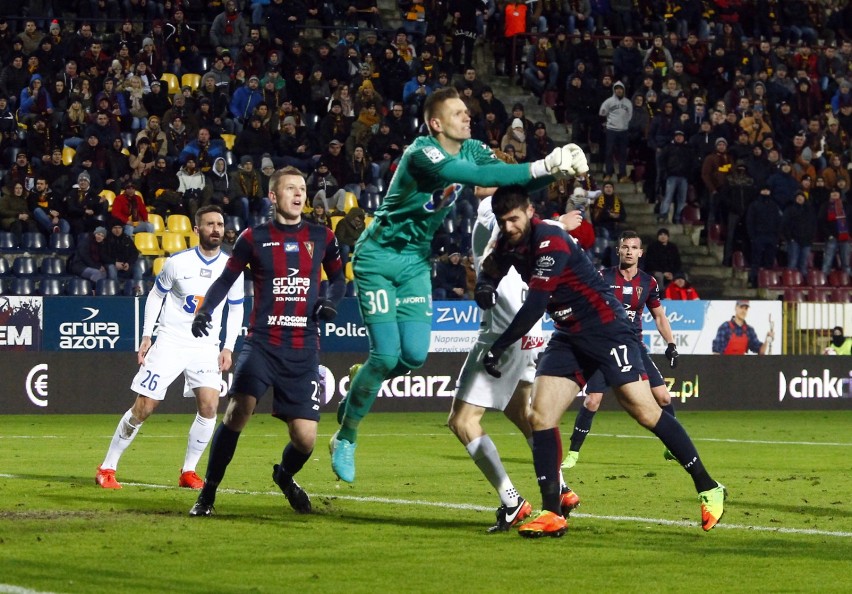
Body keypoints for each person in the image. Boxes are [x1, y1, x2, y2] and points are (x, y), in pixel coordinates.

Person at [330, 87, 588, 484]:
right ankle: (345, 436)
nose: (468, 118)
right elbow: (478, 177)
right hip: (378, 258)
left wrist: (556, 171)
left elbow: (504, 185)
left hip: (415, 262)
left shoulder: (471, 148)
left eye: (467, 112)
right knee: (385, 356)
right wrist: (545, 163)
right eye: (457, 114)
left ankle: (366, 379)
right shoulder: (422, 153)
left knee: (414, 356)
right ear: (436, 124)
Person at [476, 185, 725, 537]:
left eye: (514, 219)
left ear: (530, 212)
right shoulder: (507, 239)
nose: (510, 227)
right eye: (504, 221)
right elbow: (491, 267)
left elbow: (534, 305)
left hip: (606, 328)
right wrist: (485, 286)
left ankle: (708, 486)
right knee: (540, 415)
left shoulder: (551, 241)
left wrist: (499, 345)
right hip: (569, 334)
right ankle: (552, 512)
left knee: (645, 411)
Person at [188, 166, 346, 517]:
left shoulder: (324, 236)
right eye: (291, 188)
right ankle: (207, 494)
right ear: (273, 196)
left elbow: (338, 280)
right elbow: (225, 280)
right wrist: (204, 311)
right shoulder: (252, 238)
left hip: (303, 347)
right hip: (262, 343)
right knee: (237, 411)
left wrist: (331, 301)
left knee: (305, 439)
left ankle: (285, 476)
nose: (299, 194)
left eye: (302, 188)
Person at [447, 184, 582, 533]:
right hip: (530, 333)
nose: (478, 176)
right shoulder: (530, 228)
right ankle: (561, 487)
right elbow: (529, 226)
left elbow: (514, 223)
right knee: (521, 414)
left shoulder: (491, 211)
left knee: (462, 421)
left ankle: (512, 502)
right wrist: (559, 223)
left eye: (490, 168)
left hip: (503, 333)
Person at [95, 206, 244, 490]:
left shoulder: (231, 268)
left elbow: (236, 309)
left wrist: (228, 347)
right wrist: (147, 335)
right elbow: (156, 296)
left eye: (220, 224)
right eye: (210, 224)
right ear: (197, 230)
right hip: (171, 341)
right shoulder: (177, 263)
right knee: (145, 406)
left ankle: (189, 471)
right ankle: (107, 467)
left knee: (210, 406)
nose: (216, 229)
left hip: (205, 345)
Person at [561, 230, 681, 471]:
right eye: (625, 247)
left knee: (664, 397)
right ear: (618, 250)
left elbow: (659, 316)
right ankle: (573, 453)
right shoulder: (602, 277)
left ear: (640, 252)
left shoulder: (649, 282)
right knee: (593, 401)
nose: (629, 251)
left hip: (634, 347)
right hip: (604, 347)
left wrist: (671, 345)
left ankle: (674, 446)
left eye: (633, 247)